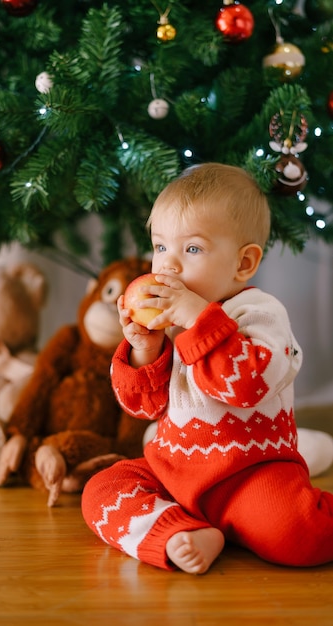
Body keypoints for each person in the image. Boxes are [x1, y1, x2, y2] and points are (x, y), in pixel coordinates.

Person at [81, 162, 333, 575]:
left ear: (243, 263)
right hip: (174, 471)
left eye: (192, 249)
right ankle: (180, 532)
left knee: (296, 533)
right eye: (161, 247)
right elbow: (143, 407)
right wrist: (145, 349)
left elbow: (246, 386)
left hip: (250, 476)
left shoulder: (260, 314)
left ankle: (251, 520)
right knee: (102, 491)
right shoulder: (175, 320)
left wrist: (200, 321)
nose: (168, 267)